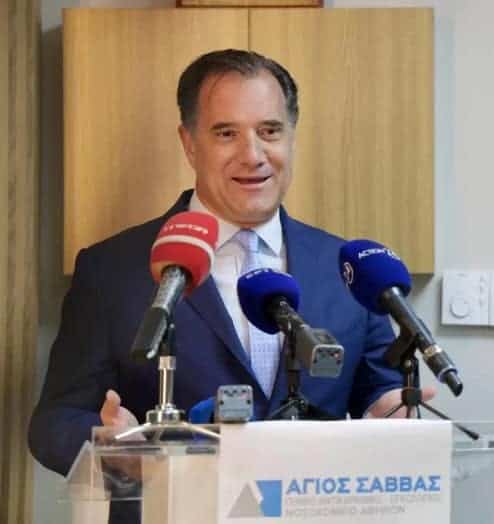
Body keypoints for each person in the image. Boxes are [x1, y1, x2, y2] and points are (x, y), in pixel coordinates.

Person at [29, 49, 433, 481]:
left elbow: (378, 392)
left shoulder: (348, 269)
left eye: (270, 131)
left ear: (292, 137)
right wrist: (117, 450)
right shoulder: (111, 269)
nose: (252, 154)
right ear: (189, 143)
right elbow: (55, 422)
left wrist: (389, 413)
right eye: (226, 133)